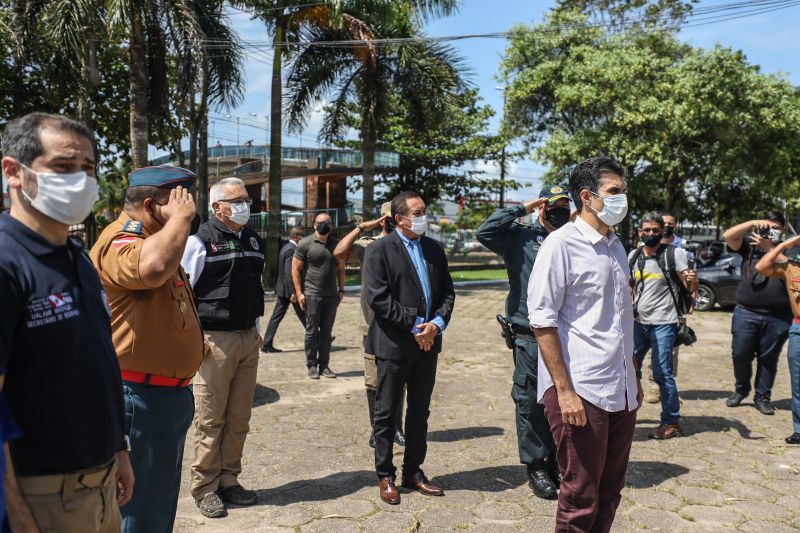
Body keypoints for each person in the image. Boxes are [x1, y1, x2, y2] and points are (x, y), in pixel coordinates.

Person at [0, 112, 133, 532]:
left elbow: (95, 363)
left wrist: (119, 450)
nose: (79, 179)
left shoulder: (79, 258)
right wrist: (16, 515)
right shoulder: (6, 264)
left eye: (88, 169)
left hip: (101, 483)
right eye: (62, 167)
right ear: (13, 172)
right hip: (39, 495)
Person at [528, 156, 641, 532]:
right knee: (580, 495)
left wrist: (634, 378)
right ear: (587, 196)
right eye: (614, 193)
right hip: (580, 391)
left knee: (610, 491)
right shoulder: (560, 245)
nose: (621, 200)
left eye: (623, 192)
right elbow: (542, 322)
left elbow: (620, 321)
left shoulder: (615, 247)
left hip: (620, 388)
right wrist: (564, 391)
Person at [90, 165, 204, 533]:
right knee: (138, 514)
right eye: (183, 202)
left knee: (157, 508)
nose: (191, 210)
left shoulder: (161, 240)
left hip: (164, 399)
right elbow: (153, 267)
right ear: (153, 205)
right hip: (137, 399)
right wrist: (181, 220)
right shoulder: (119, 240)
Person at [476, 186, 572, 500]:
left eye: (564, 206)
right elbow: (485, 232)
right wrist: (523, 207)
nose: (559, 211)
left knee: (563, 401)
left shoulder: (574, 238)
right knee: (531, 402)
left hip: (568, 335)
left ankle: (559, 460)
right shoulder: (521, 238)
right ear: (543, 207)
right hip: (530, 336)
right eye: (553, 206)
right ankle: (536, 466)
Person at [363, 191, 456, 505]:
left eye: (424, 211)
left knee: (420, 411)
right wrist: (416, 325)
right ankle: (385, 474)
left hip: (428, 345)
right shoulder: (379, 250)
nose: (423, 216)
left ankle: (413, 470)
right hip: (394, 345)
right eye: (417, 212)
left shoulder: (433, 249)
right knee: (387, 413)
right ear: (399, 218)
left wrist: (437, 324)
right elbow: (378, 299)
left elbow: (447, 293)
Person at [180, 177, 265, 518]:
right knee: (210, 418)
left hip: (247, 339)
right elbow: (182, 298)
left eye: (247, 199)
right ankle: (204, 488)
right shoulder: (199, 242)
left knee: (239, 417)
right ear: (217, 207)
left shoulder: (254, 240)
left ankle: (230, 480)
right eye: (238, 200)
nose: (246, 205)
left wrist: (257, 331)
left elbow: (255, 287)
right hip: (214, 341)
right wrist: (192, 340)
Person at [333, 202, 406, 448]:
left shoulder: (408, 244)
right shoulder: (368, 245)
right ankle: (378, 429)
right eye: (388, 218)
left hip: (402, 323)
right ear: (384, 219)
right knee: (373, 380)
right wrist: (361, 228)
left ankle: (397, 426)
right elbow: (339, 254)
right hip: (372, 325)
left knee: (399, 379)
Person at [629, 213, 697, 439]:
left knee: (662, 373)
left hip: (664, 323)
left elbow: (688, 286)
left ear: (662, 232)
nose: (650, 234)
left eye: (655, 230)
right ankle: (625, 414)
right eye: (646, 230)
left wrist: (692, 279)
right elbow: (631, 287)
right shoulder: (634, 255)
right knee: (628, 368)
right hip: (639, 323)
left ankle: (671, 421)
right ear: (639, 232)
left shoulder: (673, 254)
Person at [722, 212, 792, 415]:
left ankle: (762, 397)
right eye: (767, 227)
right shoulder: (750, 246)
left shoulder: (791, 248)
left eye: (776, 228)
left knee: (768, 358)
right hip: (746, 312)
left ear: (783, 230)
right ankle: (741, 389)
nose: (771, 232)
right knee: (740, 354)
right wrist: (752, 222)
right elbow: (728, 236)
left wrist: (770, 248)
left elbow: (789, 267)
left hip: (778, 316)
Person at [755, 233, 800, 444]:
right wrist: (782, 244)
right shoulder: (791, 266)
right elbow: (762, 267)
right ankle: (799, 430)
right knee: (798, 382)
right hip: (798, 328)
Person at [293, 213, 345, 379]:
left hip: (331, 296)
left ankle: (324, 365)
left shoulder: (337, 245)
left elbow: (341, 268)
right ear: (314, 225)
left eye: (327, 222)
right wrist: (300, 293)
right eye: (321, 222)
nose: (324, 224)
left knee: (327, 332)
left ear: (332, 225)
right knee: (312, 331)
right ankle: (311, 365)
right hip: (312, 295)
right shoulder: (305, 244)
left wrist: (342, 289)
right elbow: (295, 269)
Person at [262, 226, 306, 353]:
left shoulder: (285, 248)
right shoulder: (292, 250)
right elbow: (289, 273)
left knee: (300, 314)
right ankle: (318, 338)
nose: (302, 238)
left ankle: (267, 343)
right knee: (303, 314)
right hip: (289, 291)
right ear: (296, 236)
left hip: (284, 289)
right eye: (301, 235)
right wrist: (294, 291)